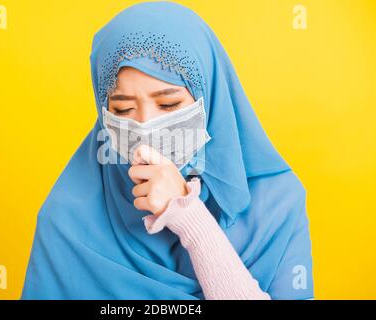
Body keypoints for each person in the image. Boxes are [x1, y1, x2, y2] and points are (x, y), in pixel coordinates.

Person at [21, 1, 314, 300]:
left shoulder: (277, 202)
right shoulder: (66, 219)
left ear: (209, 98)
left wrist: (188, 217)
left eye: (169, 104)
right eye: (123, 108)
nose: (145, 125)